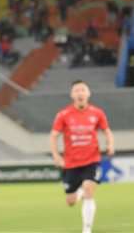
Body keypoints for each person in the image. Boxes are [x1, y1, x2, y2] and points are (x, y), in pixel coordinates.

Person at [49, 80, 114, 233]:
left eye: (83, 90)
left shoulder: (97, 113)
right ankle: (78, 193)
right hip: (71, 163)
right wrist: (56, 155)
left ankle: (87, 229)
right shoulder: (63, 114)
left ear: (88, 93)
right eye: (77, 90)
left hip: (92, 160)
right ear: (72, 95)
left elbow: (107, 131)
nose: (80, 93)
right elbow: (53, 136)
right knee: (70, 201)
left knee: (89, 189)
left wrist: (110, 144)